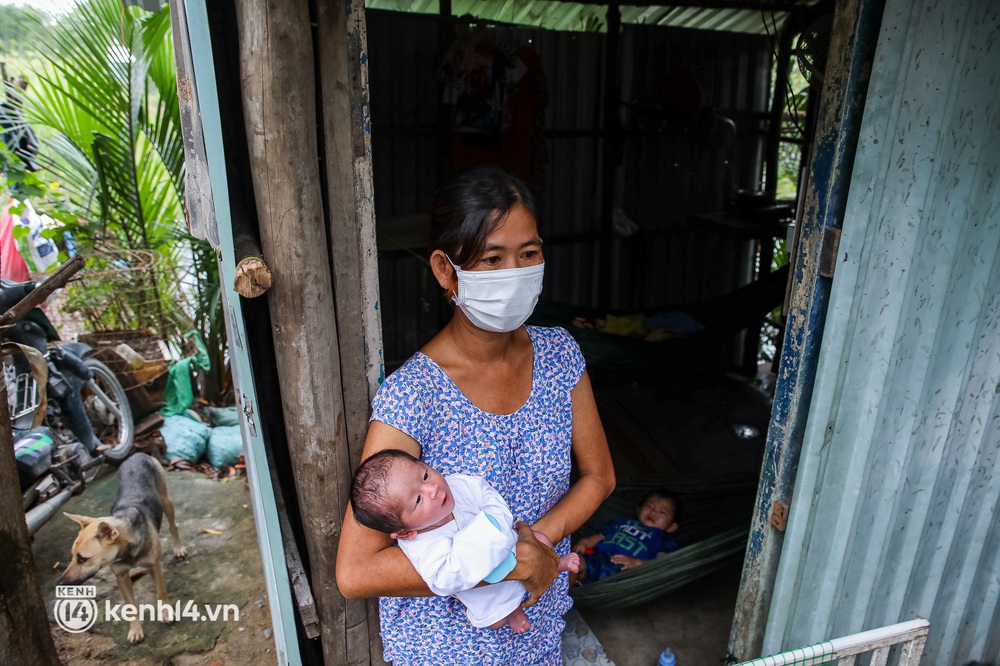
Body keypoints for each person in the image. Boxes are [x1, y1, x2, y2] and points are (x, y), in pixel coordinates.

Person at [335, 165, 616, 665]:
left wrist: (538, 547)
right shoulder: (413, 395)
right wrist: (507, 565)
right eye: (492, 258)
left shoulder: (560, 356)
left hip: (537, 624)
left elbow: (599, 476)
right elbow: (356, 572)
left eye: (528, 253)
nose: (515, 272)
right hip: (447, 649)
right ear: (446, 270)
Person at [350, 448, 580, 633]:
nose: (432, 489)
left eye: (426, 474)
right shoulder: (422, 546)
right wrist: (485, 528)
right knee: (495, 620)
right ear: (404, 532)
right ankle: (515, 611)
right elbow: (447, 578)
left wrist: (494, 525)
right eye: (418, 499)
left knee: (540, 539)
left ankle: (557, 564)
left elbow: (487, 494)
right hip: (485, 584)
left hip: (512, 544)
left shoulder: (459, 485)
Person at [571, 488, 682, 584]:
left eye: (662, 512)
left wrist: (638, 563)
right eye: (649, 506)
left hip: (624, 575)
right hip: (597, 560)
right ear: (639, 509)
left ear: (671, 527)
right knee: (573, 563)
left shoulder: (663, 539)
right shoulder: (622, 523)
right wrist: (583, 542)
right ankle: (561, 596)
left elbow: (660, 562)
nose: (653, 512)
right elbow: (600, 536)